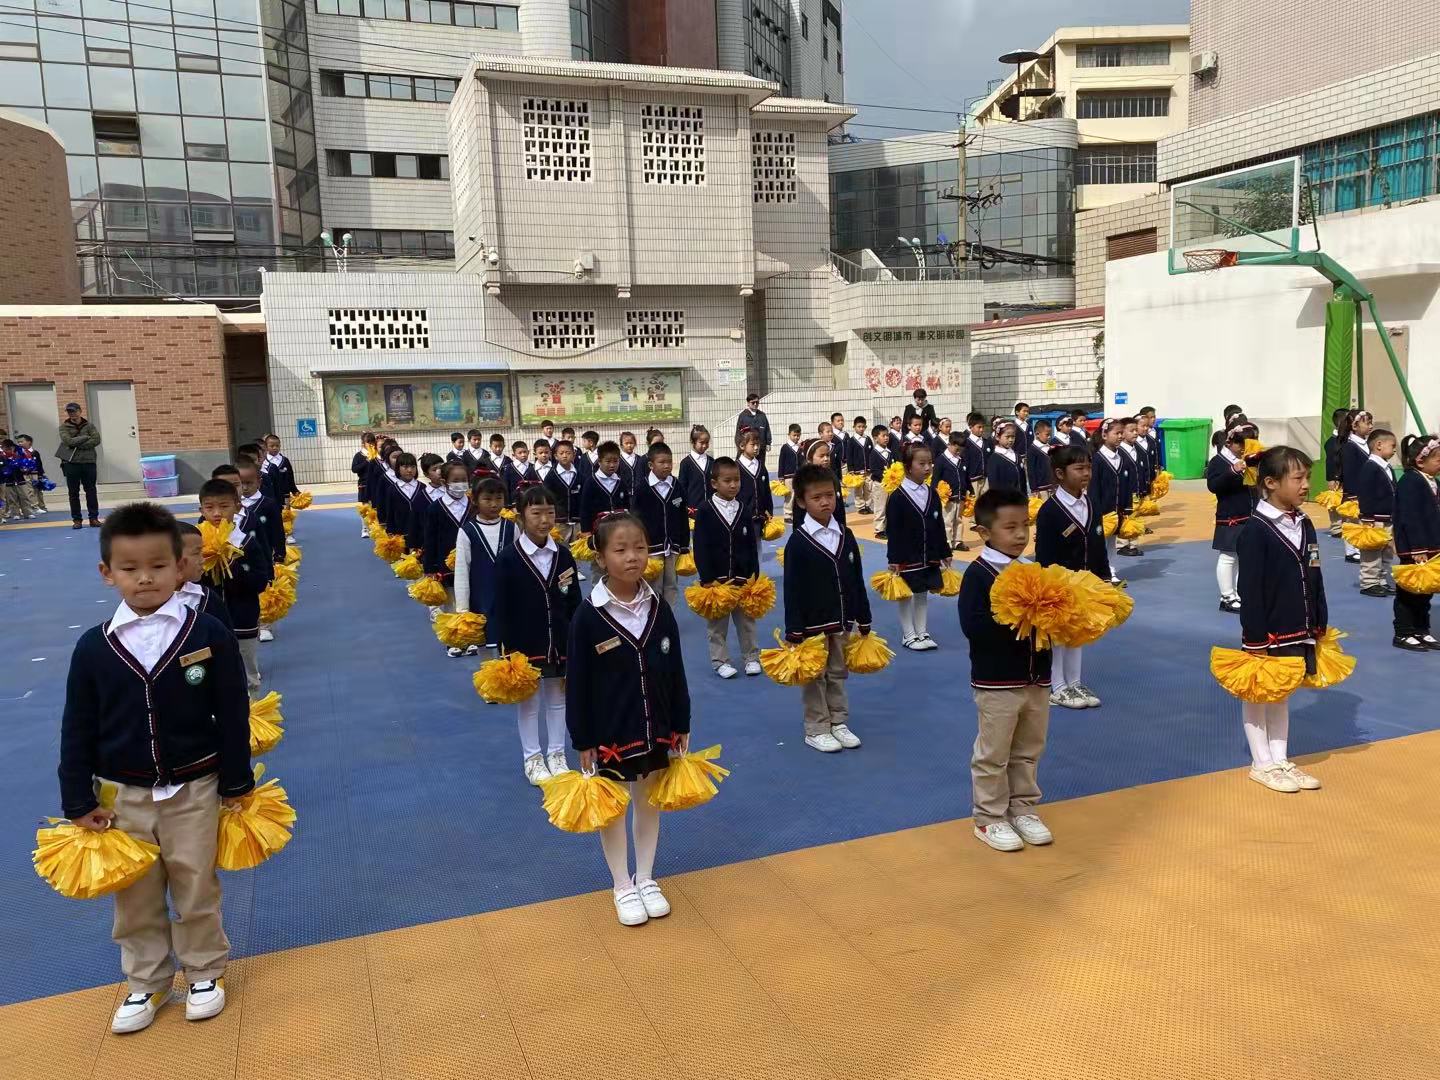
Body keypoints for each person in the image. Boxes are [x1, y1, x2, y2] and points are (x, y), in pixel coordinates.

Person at [59, 503, 252, 1035]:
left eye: (158, 566)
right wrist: (78, 797)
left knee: (195, 884)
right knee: (135, 893)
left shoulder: (207, 631)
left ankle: (204, 971)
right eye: (129, 568)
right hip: (123, 796)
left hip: (196, 786)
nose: (145, 577)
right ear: (107, 573)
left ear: (180, 568)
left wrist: (237, 778)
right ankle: (146, 980)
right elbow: (77, 724)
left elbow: (234, 709)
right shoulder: (93, 647)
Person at [566, 512, 691, 926]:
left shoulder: (659, 607)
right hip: (611, 732)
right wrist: (583, 737)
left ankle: (647, 876)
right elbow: (578, 682)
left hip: (656, 725)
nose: (632, 557)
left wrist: (681, 721)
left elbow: (676, 671)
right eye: (620, 550)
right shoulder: (588, 616)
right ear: (601, 557)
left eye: (639, 547)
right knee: (615, 808)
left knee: (649, 801)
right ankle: (621, 883)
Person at [959, 488, 1054, 852]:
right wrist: (1020, 617)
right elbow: (975, 628)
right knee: (993, 753)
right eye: (1009, 527)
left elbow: (1056, 620)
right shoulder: (978, 575)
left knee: (1029, 749)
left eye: (1024, 525)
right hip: (997, 681)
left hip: (1037, 678)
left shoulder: (1036, 570)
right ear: (984, 532)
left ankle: (1024, 808)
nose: (1019, 534)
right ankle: (989, 817)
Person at [1235, 446, 1327, 793]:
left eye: (1307, 477)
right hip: (1269, 632)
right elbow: (1250, 589)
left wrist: (1318, 620)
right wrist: (1255, 639)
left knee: (1283, 694)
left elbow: (1315, 574)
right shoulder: (1255, 531)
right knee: (1259, 695)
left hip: (1299, 627)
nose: (1306, 485)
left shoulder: (1305, 523)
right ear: (1271, 483)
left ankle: (1281, 758)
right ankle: (1261, 763)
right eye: (1298, 478)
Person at [492, 485, 580, 785]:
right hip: (524, 644)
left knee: (558, 700)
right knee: (529, 704)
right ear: (521, 516)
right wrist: (506, 649)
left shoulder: (564, 556)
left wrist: (575, 636)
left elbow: (574, 601)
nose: (544, 519)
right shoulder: (508, 559)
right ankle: (533, 758)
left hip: (560, 641)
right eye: (536, 513)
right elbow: (501, 607)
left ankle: (557, 754)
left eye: (550, 512)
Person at [783, 463, 871, 754]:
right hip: (811, 627)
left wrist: (863, 616)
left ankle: (838, 721)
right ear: (801, 502)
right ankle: (816, 727)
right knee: (814, 677)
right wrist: (794, 629)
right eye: (816, 497)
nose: (825, 502)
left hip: (842, 622)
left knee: (837, 672)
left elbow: (856, 578)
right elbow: (792, 589)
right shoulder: (797, 542)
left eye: (830, 495)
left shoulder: (845, 535)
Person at [1034, 446, 1107, 709]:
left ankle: (1074, 682)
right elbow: (1043, 556)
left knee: (1078, 634)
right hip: (1058, 588)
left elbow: (1098, 545)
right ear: (1060, 473)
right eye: (1079, 468)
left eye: (1088, 467)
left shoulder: (1091, 503)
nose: (1086, 473)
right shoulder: (1050, 511)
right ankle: (1058, 686)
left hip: (1085, 586)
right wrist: (1047, 590)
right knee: (1058, 637)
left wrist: (1104, 579)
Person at [197, 478, 272, 694]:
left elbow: (259, 581)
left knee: (248, 672)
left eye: (224, 506)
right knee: (210, 673)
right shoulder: (194, 543)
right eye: (209, 507)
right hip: (206, 620)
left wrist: (232, 566)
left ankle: (254, 718)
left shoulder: (246, 542)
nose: (217, 513)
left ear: (237, 507)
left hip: (243, 618)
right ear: (201, 509)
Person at [693, 457, 761, 679]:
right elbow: (701, 546)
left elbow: (751, 544)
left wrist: (754, 575)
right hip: (717, 582)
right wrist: (706, 577)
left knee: (747, 622)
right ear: (714, 483)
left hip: (742, 579)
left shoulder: (743, 508)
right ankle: (720, 660)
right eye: (727, 481)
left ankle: (751, 658)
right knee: (717, 626)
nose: (733, 485)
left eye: (737, 480)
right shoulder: (705, 510)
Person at [885, 441, 949, 652]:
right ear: (908, 466)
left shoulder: (932, 494)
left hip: (928, 554)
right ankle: (909, 634)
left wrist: (944, 551)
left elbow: (939, 525)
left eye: (930, 463)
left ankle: (922, 631)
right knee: (906, 594)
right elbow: (893, 531)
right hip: (906, 556)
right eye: (922, 463)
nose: (928, 467)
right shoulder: (897, 497)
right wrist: (893, 559)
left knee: (922, 594)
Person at [453, 476, 513, 655]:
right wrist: (463, 609)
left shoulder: (511, 528)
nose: (494, 504)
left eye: (499, 498)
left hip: (510, 600)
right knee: (486, 653)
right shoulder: (467, 531)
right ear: (475, 500)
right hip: (481, 601)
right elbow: (462, 570)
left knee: (511, 648)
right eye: (487, 499)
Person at [1393, 434, 1440, 651]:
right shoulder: (1410, 481)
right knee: (1408, 592)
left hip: (1432, 546)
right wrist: (1417, 549)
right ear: (1420, 461)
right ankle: (1404, 632)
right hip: (1415, 549)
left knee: (1425, 591)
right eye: (1438, 459)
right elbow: (1410, 517)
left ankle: (1422, 629)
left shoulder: (1432, 481)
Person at [632, 442, 689, 608]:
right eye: (662, 462)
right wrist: (638, 545)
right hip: (652, 548)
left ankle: (668, 617)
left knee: (671, 584)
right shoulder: (642, 488)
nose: (667, 466)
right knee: (653, 585)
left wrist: (684, 545)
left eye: (669, 462)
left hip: (673, 547)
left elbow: (682, 517)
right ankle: (653, 618)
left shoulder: (677, 486)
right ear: (651, 465)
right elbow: (636, 520)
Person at [424, 460, 472, 652]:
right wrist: (430, 569)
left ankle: (470, 637)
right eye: (456, 480)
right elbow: (430, 540)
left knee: (470, 600)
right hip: (446, 566)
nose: (460, 484)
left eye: (464, 480)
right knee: (451, 603)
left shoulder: (474, 506)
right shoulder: (435, 509)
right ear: (445, 482)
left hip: (471, 563)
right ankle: (453, 640)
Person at [1207, 424, 1252, 614]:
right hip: (1230, 514)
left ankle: (1239, 593)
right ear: (1230, 442)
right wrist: (1233, 470)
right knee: (1228, 556)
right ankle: (1227, 596)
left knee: (1243, 556)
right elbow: (1213, 485)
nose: (1244, 448)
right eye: (1241, 444)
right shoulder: (1218, 461)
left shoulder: (1248, 459)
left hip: (1248, 512)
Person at [1357, 428, 1400, 597]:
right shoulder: (1370, 467)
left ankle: (1381, 580)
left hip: (1387, 518)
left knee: (1386, 552)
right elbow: (1366, 494)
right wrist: (1367, 518)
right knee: (1372, 553)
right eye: (1393, 445)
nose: (1395, 449)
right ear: (1379, 445)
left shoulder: (1385, 466)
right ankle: (1369, 582)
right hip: (1374, 520)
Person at [1089, 419, 1128, 588]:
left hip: (1116, 509)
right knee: (1098, 543)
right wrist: (1096, 511)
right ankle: (1097, 572)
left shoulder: (1121, 457)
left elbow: (1126, 484)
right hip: (1102, 511)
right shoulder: (1097, 459)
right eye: (1116, 433)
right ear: (1104, 435)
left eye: (1121, 433)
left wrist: (1126, 508)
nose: (1120, 436)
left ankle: (1111, 572)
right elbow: (1093, 488)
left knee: (1112, 542)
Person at [175, 520, 233, 631]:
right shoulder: (143, 602)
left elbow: (227, 644)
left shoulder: (207, 598)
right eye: (196, 553)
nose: (203, 560)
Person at [57, 401, 102, 529]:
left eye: (74, 411)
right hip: (71, 463)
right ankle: (77, 520)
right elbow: (68, 441)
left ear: (80, 411)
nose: (72, 414)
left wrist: (77, 443)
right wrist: (85, 438)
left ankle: (94, 518)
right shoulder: (64, 427)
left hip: (89, 462)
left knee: (91, 491)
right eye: (70, 411)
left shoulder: (90, 426)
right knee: (73, 493)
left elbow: (96, 440)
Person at [1340, 409, 1375, 563]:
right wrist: (1352, 494)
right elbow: (1349, 472)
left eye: (1371, 422)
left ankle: (1358, 548)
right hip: (1354, 491)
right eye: (1367, 423)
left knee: (1361, 521)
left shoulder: (1366, 444)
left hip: (1365, 489)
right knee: (1351, 521)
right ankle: (1350, 551)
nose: (1371, 426)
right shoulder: (1350, 446)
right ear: (1354, 426)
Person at [578, 440, 629, 534]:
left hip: (619, 529)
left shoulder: (620, 481)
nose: (612, 465)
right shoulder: (591, 482)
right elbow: (585, 508)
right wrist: (586, 531)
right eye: (608, 461)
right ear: (599, 461)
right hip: (598, 530)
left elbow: (627, 505)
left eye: (615, 461)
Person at [933, 432, 968, 552]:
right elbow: (935, 479)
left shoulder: (961, 460)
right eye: (957, 448)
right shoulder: (941, 460)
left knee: (958, 519)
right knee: (947, 520)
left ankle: (957, 541)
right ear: (950, 444)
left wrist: (969, 491)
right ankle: (946, 542)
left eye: (961, 449)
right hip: (947, 498)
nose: (959, 451)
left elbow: (966, 477)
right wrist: (936, 493)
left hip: (960, 495)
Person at [800, 438, 846, 530]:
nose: (826, 459)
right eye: (821, 456)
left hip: (834, 527)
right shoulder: (804, 481)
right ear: (809, 459)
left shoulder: (833, 477)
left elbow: (839, 508)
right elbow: (800, 513)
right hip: (812, 530)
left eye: (827, 455)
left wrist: (842, 528)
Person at [735, 428, 773, 536]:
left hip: (759, 517)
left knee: (757, 546)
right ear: (742, 446)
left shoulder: (761, 466)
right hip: (742, 517)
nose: (756, 448)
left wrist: (769, 509)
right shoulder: (736, 467)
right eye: (753, 445)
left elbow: (766, 490)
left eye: (758, 444)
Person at [1115, 418, 1144, 557]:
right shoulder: (1119, 452)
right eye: (1131, 431)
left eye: (1135, 430)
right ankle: (1122, 544)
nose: (1135, 433)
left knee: (1134, 517)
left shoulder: (1137, 449)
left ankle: (1133, 543)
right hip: (1126, 491)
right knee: (1125, 516)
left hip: (1136, 491)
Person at [545, 441, 584, 544]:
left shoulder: (580, 476)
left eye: (568, 453)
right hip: (558, 523)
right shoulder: (551, 477)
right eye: (561, 453)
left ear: (574, 455)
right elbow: (547, 499)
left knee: (578, 555)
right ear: (556, 456)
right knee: (560, 551)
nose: (565, 456)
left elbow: (584, 500)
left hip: (577, 523)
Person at [259, 434, 300, 527]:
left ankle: (289, 533)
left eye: (277, 446)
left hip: (285, 494)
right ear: (266, 447)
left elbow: (290, 477)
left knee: (286, 514)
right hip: (270, 494)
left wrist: (294, 490)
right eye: (272, 446)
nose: (275, 448)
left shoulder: (285, 461)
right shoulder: (263, 462)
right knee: (272, 515)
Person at [1322, 408, 1349, 539]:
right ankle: (1336, 527)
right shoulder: (1332, 442)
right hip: (1337, 477)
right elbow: (1330, 462)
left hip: (1348, 477)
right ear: (1340, 423)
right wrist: (1332, 478)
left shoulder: (1348, 440)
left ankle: (1346, 525)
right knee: (1335, 503)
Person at [985, 420, 1027, 497]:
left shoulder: (1017, 456)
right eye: (1007, 437)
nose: (1011, 440)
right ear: (998, 437)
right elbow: (994, 486)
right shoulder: (994, 459)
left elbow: (1023, 481)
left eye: (1013, 436)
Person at [869, 425, 896, 539]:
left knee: (890, 506)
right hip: (880, 484)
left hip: (890, 485)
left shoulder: (889, 452)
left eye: (887, 435)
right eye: (883, 436)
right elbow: (874, 470)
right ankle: (879, 530)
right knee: (880, 507)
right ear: (875, 438)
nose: (886, 438)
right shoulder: (874, 453)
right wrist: (886, 476)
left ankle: (888, 527)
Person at [677, 425, 712, 514]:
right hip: (693, 511)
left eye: (707, 442)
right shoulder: (686, 463)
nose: (705, 446)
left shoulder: (712, 461)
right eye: (701, 442)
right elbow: (682, 487)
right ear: (693, 442)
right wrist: (685, 506)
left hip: (711, 509)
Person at [352, 431, 378, 537]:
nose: (371, 444)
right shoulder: (359, 455)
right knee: (365, 507)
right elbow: (354, 469)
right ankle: (365, 529)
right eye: (368, 442)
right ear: (363, 443)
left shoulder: (377, 455)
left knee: (376, 507)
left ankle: (375, 528)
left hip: (376, 484)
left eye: (372, 442)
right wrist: (366, 461)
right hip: (364, 484)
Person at [848, 416, 875, 515]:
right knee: (858, 489)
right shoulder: (851, 441)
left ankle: (867, 505)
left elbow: (872, 453)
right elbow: (849, 455)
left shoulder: (868, 439)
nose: (861, 429)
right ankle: (860, 507)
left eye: (863, 427)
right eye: (859, 426)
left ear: (866, 427)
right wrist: (851, 469)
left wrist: (871, 466)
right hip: (857, 471)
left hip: (868, 470)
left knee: (868, 488)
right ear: (854, 427)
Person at [777, 423, 803, 521]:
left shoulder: (800, 448)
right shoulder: (785, 447)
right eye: (794, 435)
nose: (796, 437)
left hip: (799, 476)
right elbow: (781, 462)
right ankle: (788, 514)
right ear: (789, 434)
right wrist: (781, 477)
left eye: (798, 435)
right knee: (790, 496)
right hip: (788, 477)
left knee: (799, 494)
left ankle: (797, 512)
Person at [736, 392, 772, 463]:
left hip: (760, 447)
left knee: (760, 465)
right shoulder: (743, 416)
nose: (755, 404)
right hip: (747, 447)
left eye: (757, 402)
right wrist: (739, 445)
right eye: (753, 402)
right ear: (748, 403)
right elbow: (738, 432)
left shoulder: (762, 415)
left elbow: (767, 430)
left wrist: (768, 443)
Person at [15, 434, 47, 514]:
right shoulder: (19, 453)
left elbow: (39, 464)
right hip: (25, 475)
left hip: (35, 474)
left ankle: (41, 506)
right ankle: (34, 506)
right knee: (29, 491)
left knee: (38, 490)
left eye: (22, 441)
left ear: (29, 442)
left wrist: (41, 475)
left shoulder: (35, 452)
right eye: (18, 442)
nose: (20, 444)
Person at [1026, 420, 1056, 498]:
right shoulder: (1032, 450)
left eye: (1050, 435)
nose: (1049, 437)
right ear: (1037, 434)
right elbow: (1031, 471)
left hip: (1052, 486)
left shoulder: (1050, 448)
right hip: (1041, 489)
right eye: (1047, 435)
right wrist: (1034, 489)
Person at [963, 412, 989, 499]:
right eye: (979, 427)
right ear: (970, 427)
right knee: (972, 507)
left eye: (983, 427)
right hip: (972, 481)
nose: (981, 430)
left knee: (985, 506)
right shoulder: (966, 444)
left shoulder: (987, 443)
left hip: (986, 480)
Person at [502, 440, 536, 506]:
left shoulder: (533, 467)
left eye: (525, 452)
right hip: (514, 503)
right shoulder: (508, 468)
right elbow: (506, 487)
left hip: (531, 502)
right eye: (520, 453)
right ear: (514, 455)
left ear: (528, 452)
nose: (523, 455)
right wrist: (508, 504)